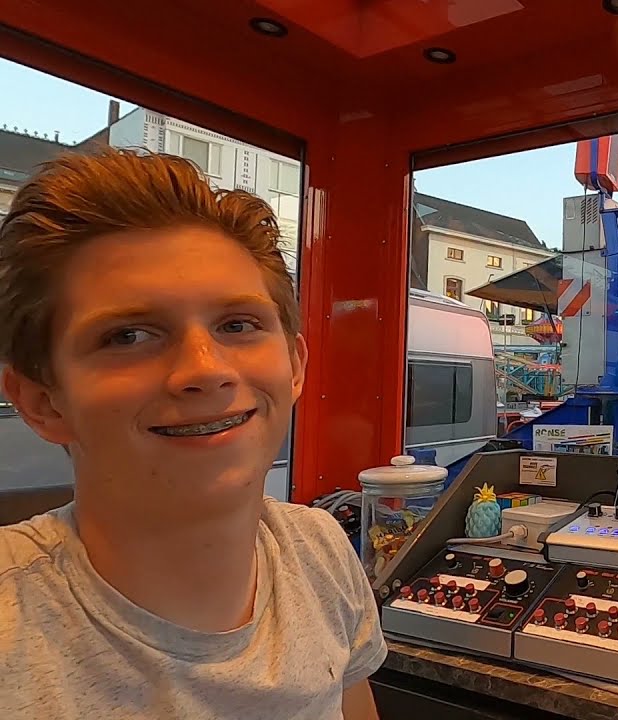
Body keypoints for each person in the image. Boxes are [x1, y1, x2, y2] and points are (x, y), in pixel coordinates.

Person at [0, 147, 386, 719]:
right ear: (41, 402)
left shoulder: (320, 551)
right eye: (129, 336)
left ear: (294, 366)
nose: (206, 370)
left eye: (238, 324)